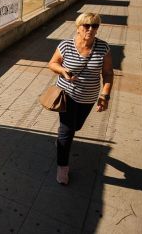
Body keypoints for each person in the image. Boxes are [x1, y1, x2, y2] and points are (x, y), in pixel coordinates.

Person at [47, 12, 113, 185]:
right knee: (67, 130)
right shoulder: (66, 46)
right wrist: (63, 71)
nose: (91, 29)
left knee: (77, 126)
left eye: (95, 26)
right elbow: (52, 63)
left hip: (88, 97)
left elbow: (107, 73)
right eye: (87, 25)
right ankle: (62, 167)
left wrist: (104, 95)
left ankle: (63, 138)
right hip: (66, 95)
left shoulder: (103, 48)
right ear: (78, 27)